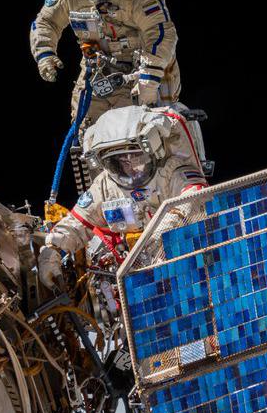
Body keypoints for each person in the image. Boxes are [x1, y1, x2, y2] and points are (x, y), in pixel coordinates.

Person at [29, 0, 181, 127]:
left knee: (141, 133)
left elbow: (161, 33)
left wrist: (150, 75)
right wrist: (45, 53)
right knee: (86, 133)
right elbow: (45, 22)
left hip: (140, 73)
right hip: (98, 73)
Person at [37, 105, 205, 288]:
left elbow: (194, 197)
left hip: (184, 262)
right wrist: (53, 249)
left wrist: (160, 235)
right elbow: (78, 223)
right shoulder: (105, 186)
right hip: (137, 277)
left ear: (153, 151)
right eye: (122, 160)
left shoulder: (172, 172)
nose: (131, 164)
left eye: (136, 156)